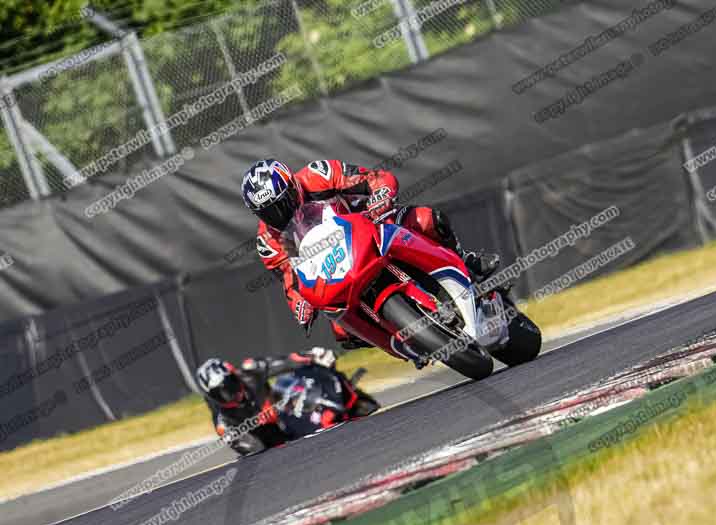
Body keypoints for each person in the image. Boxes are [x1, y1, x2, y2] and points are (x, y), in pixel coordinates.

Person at [240, 158, 500, 349]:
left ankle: (465, 260)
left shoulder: (318, 175)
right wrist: (300, 304)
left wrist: (381, 194)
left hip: (372, 225)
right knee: (342, 330)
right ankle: (406, 342)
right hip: (334, 271)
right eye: (269, 212)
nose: (280, 213)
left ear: (292, 186)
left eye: (283, 202)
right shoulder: (268, 241)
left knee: (427, 220)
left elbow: (374, 178)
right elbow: (291, 279)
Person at [195, 347, 338, 455]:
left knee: (289, 383)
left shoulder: (248, 369)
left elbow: (285, 361)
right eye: (220, 394)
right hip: (264, 438)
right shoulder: (221, 419)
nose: (229, 395)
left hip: (280, 413)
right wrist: (241, 438)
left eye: (229, 385)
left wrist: (313, 355)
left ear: (233, 374)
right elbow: (248, 447)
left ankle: (330, 407)